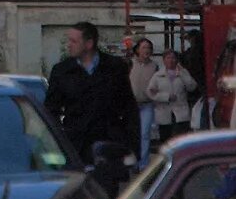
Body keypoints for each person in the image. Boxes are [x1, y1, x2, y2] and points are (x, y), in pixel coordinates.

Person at [45, 20, 139, 165]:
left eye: (74, 41)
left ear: (89, 44)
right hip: (76, 147)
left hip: (108, 147)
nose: (68, 45)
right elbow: (51, 110)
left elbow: (129, 108)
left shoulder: (114, 68)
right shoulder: (62, 71)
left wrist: (132, 149)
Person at [149, 48, 197, 141]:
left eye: (173, 58)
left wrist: (182, 74)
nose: (171, 60)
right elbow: (151, 92)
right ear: (164, 60)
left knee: (181, 138)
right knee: (165, 139)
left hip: (181, 112)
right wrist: (166, 97)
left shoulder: (184, 73)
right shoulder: (157, 75)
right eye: (168, 58)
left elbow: (192, 87)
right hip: (164, 112)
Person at [129, 37, 158, 165]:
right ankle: (132, 162)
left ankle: (143, 164)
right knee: (132, 134)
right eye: (144, 47)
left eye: (149, 48)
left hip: (147, 104)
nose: (146, 50)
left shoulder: (154, 66)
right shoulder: (130, 64)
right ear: (137, 50)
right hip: (132, 105)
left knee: (145, 134)